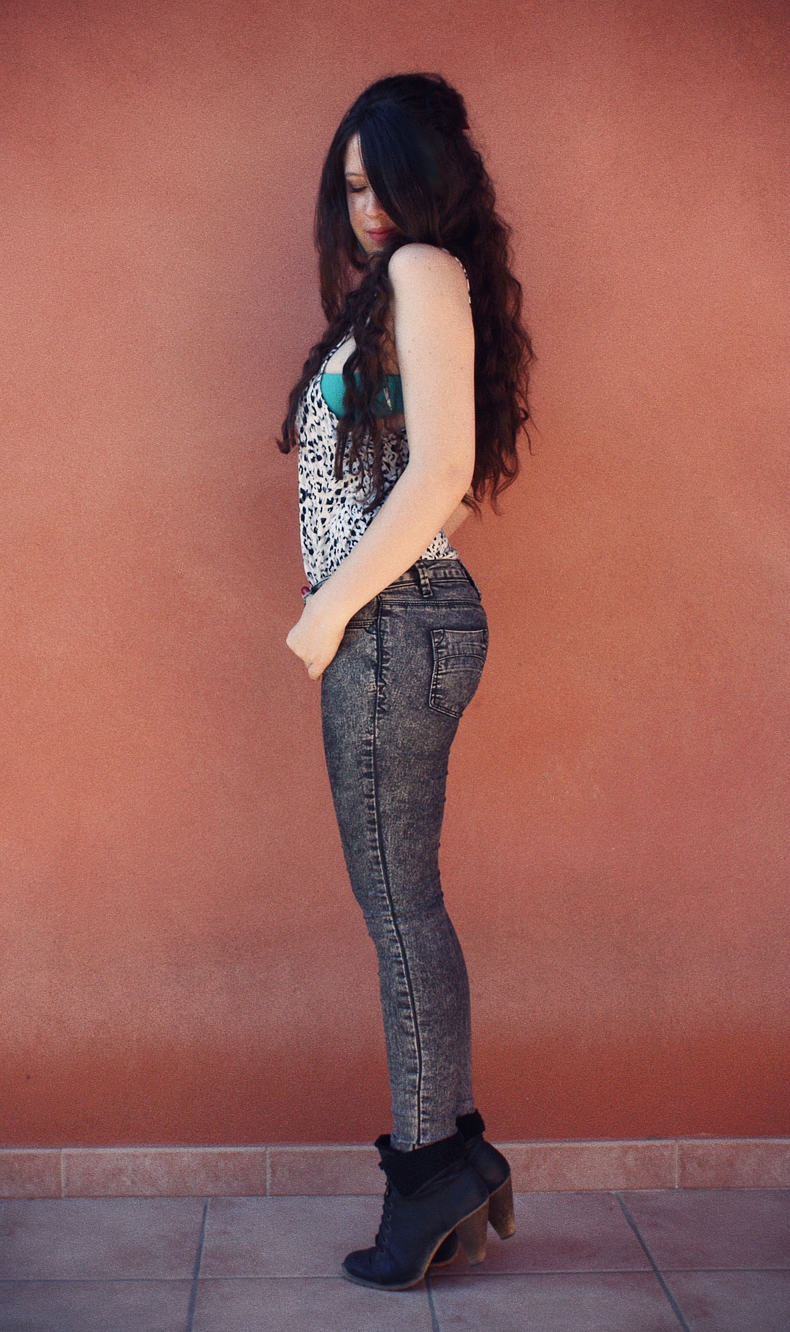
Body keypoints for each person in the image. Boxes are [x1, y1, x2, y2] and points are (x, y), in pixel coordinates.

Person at [279, 73, 533, 1291]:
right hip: (403, 622)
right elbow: (436, 476)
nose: (367, 207)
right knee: (408, 904)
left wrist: (327, 613)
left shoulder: (424, 273)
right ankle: (454, 1152)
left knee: (397, 910)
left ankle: (430, 1171)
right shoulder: (405, 285)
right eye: (351, 187)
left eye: (384, 182)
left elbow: (438, 474)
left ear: (431, 181)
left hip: (390, 624)